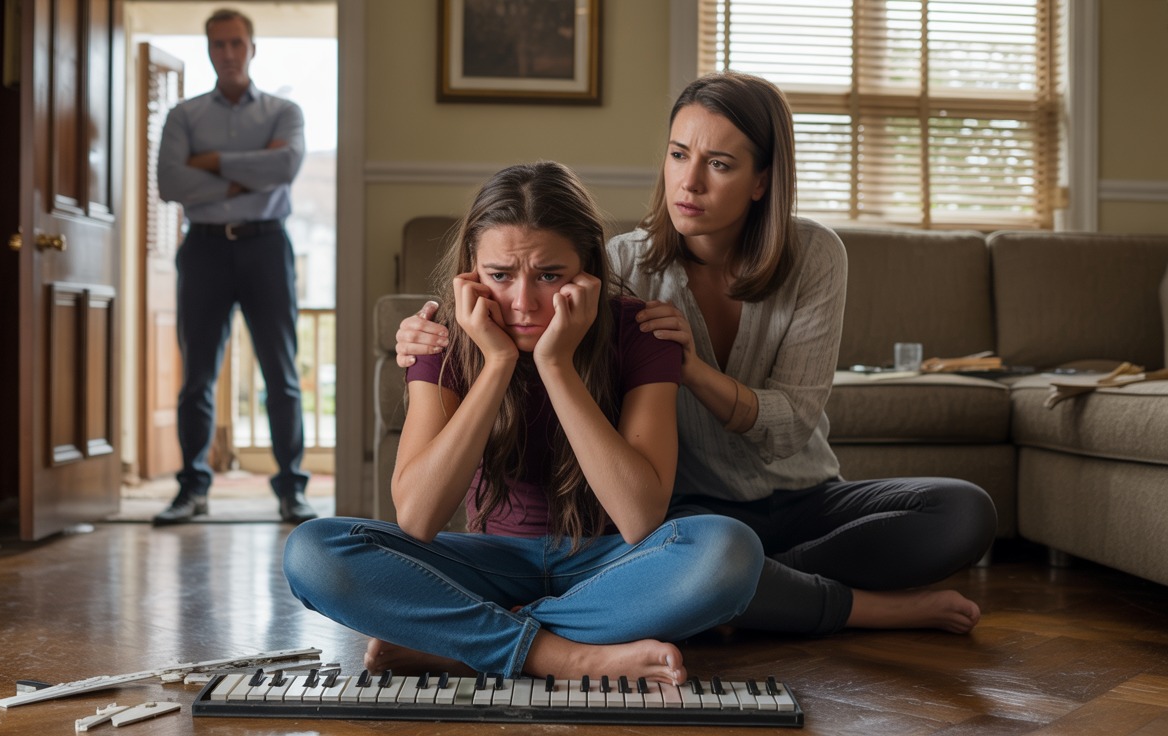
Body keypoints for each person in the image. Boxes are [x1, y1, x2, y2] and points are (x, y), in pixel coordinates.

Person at [395, 71, 998, 637]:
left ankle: (747, 588)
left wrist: (695, 373)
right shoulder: (619, 266)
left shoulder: (816, 255)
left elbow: (790, 430)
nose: (690, 181)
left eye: (719, 164)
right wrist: (421, 337)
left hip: (799, 494)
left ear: (762, 179)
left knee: (963, 512)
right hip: (686, 502)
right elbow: (520, 308)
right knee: (707, 548)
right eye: (679, 154)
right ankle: (741, 589)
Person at [284, 162, 763, 683]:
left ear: (588, 269)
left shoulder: (640, 332)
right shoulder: (443, 337)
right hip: (483, 566)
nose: (523, 303)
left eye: (550, 276)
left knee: (730, 552)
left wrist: (556, 365)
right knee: (312, 553)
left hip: (608, 566)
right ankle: (568, 657)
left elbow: (639, 518)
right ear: (471, 269)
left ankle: (468, 644)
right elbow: (418, 519)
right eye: (500, 275)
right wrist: (496, 365)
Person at [154, 8, 316, 526]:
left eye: (236, 44)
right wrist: (249, 171)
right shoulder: (183, 115)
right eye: (218, 44)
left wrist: (210, 161)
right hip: (202, 249)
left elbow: (286, 166)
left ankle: (292, 490)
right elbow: (171, 185)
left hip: (266, 246)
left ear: (252, 48)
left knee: (281, 375)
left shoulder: (283, 111)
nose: (227, 53)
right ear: (208, 49)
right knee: (196, 377)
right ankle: (192, 488)